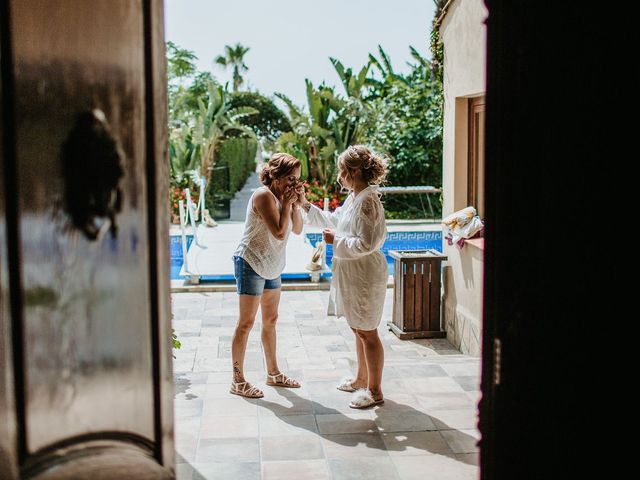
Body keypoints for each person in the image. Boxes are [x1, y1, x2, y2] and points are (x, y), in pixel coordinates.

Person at [299, 145, 388, 408]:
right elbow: (335, 220)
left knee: (368, 332)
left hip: (365, 275)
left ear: (354, 171)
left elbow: (367, 243)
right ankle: (361, 378)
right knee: (358, 329)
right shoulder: (355, 197)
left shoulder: (368, 201)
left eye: (342, 170)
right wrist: (305, 205)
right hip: (352, 274)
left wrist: (334, 240)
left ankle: (375, 390)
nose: (339, 176)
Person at [230, 153, 304, 398]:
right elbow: (279, 232)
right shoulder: (263, 195)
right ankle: (237, 380)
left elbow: (297, 229)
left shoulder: (284, 197)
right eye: (291, 178)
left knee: (271, 319)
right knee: (246, 323)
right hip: (250, 261)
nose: (294, 183)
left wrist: (297, 203)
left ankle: (273, 373)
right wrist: (285, 201)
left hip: (272, 264)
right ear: (277, 175)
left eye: (297, 179)